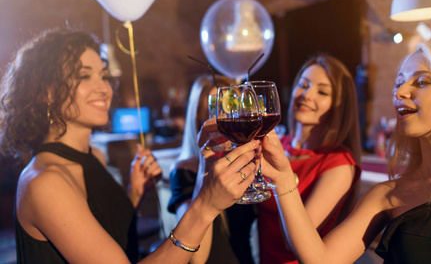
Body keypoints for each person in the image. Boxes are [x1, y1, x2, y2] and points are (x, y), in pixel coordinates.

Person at [0, 28, 259, 264]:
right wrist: (206, 205)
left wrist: (133, 196)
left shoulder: (94, 158)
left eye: (103, 75)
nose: (103, 88)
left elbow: (104, 236)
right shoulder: (45, 182)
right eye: (83, 76)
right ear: (46, 92)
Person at [261, 43, 431, 263]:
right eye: (398, 83)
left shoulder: (339, 162)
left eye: (422, 81)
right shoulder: (386, 195)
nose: (400, 92)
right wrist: (282, 179)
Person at [257, 54, 362, 264]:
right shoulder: (278, 143)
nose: (306, 95)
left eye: (322, 91)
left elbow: (293, 242)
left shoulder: (339, 163)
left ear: (339, 106)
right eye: (303, 85)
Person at [168, 74, 257, 264]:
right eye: (215, 109)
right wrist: (205, 168)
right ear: (199, 117)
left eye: (231, 106)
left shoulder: (248, 163)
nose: (224, 116)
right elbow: (197, 258)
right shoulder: (185, 170)